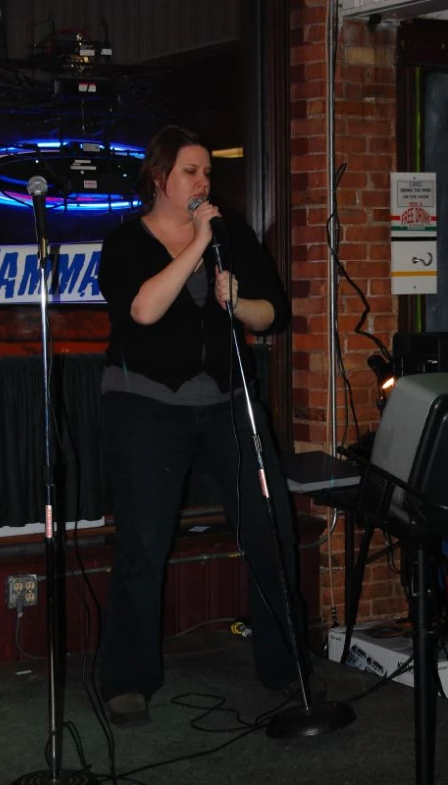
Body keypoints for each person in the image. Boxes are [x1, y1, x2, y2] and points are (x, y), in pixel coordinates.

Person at [97, 125, 312, 726]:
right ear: (160, 178)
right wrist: (197, 242)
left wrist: (236, 301)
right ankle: (127, 678)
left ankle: (285, 663)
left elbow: (272, 315)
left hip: (223, 400)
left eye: (208, 173)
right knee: (143, 543)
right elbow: (141, 311)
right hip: (143, 406)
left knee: (270, 527)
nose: (203, 183)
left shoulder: (233, 234)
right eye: (191, 171)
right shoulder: (126, 242)